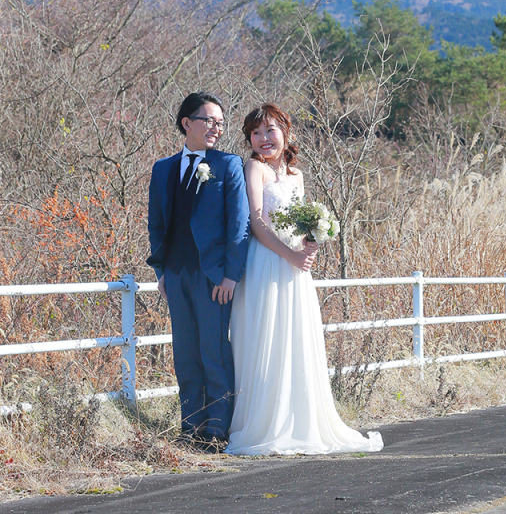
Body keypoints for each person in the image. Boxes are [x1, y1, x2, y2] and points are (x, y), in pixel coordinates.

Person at [225, 102, 383, 456]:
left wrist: (311, 241)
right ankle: (265, 423)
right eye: (255, 133)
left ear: (286, 132)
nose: (263, 139)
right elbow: (256, 222)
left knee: (295, 337)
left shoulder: (296, 175)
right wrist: (291, 254)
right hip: (266, 263)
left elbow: (300, 219)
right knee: (266, 337)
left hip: (296, 267)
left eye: (270, 130)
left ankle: (300, 422)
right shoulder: (254, 168)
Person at [147, 91, 250, 446]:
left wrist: (231, 274)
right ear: (187, 123)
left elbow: (239, 224)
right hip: (176, 275)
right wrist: (161, 272)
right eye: (209, 121)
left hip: (214, 276)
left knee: (214, 351)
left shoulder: (228, 164)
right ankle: (190, 427)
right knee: (185, 354)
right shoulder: (163, 169)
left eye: (220, 123)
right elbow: (156, 225)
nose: (216, 128)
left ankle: (217, 430)